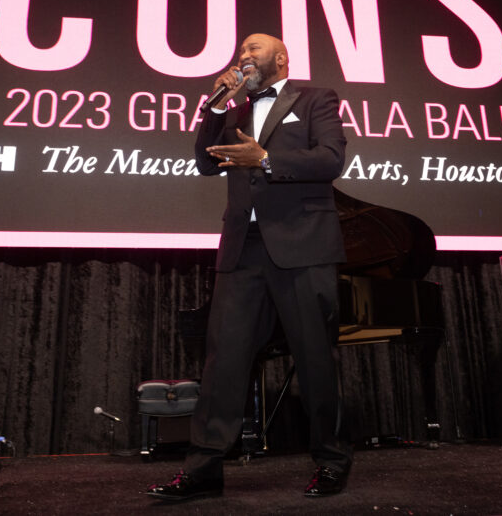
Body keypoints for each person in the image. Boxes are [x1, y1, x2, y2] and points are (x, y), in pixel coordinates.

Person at [147, 33, 352, 501]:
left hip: (303, 247)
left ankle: (332, 462)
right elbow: (204, 163)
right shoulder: (235, 110)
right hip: (244, 250)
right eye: (241, 51)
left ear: (280, 58)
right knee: (224, 364)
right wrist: (216, 108)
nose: (244, 55)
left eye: (253, 49)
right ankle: (203, 472)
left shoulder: (316, 99)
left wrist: (265, 157)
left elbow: (331, 158)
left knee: (315, 359)